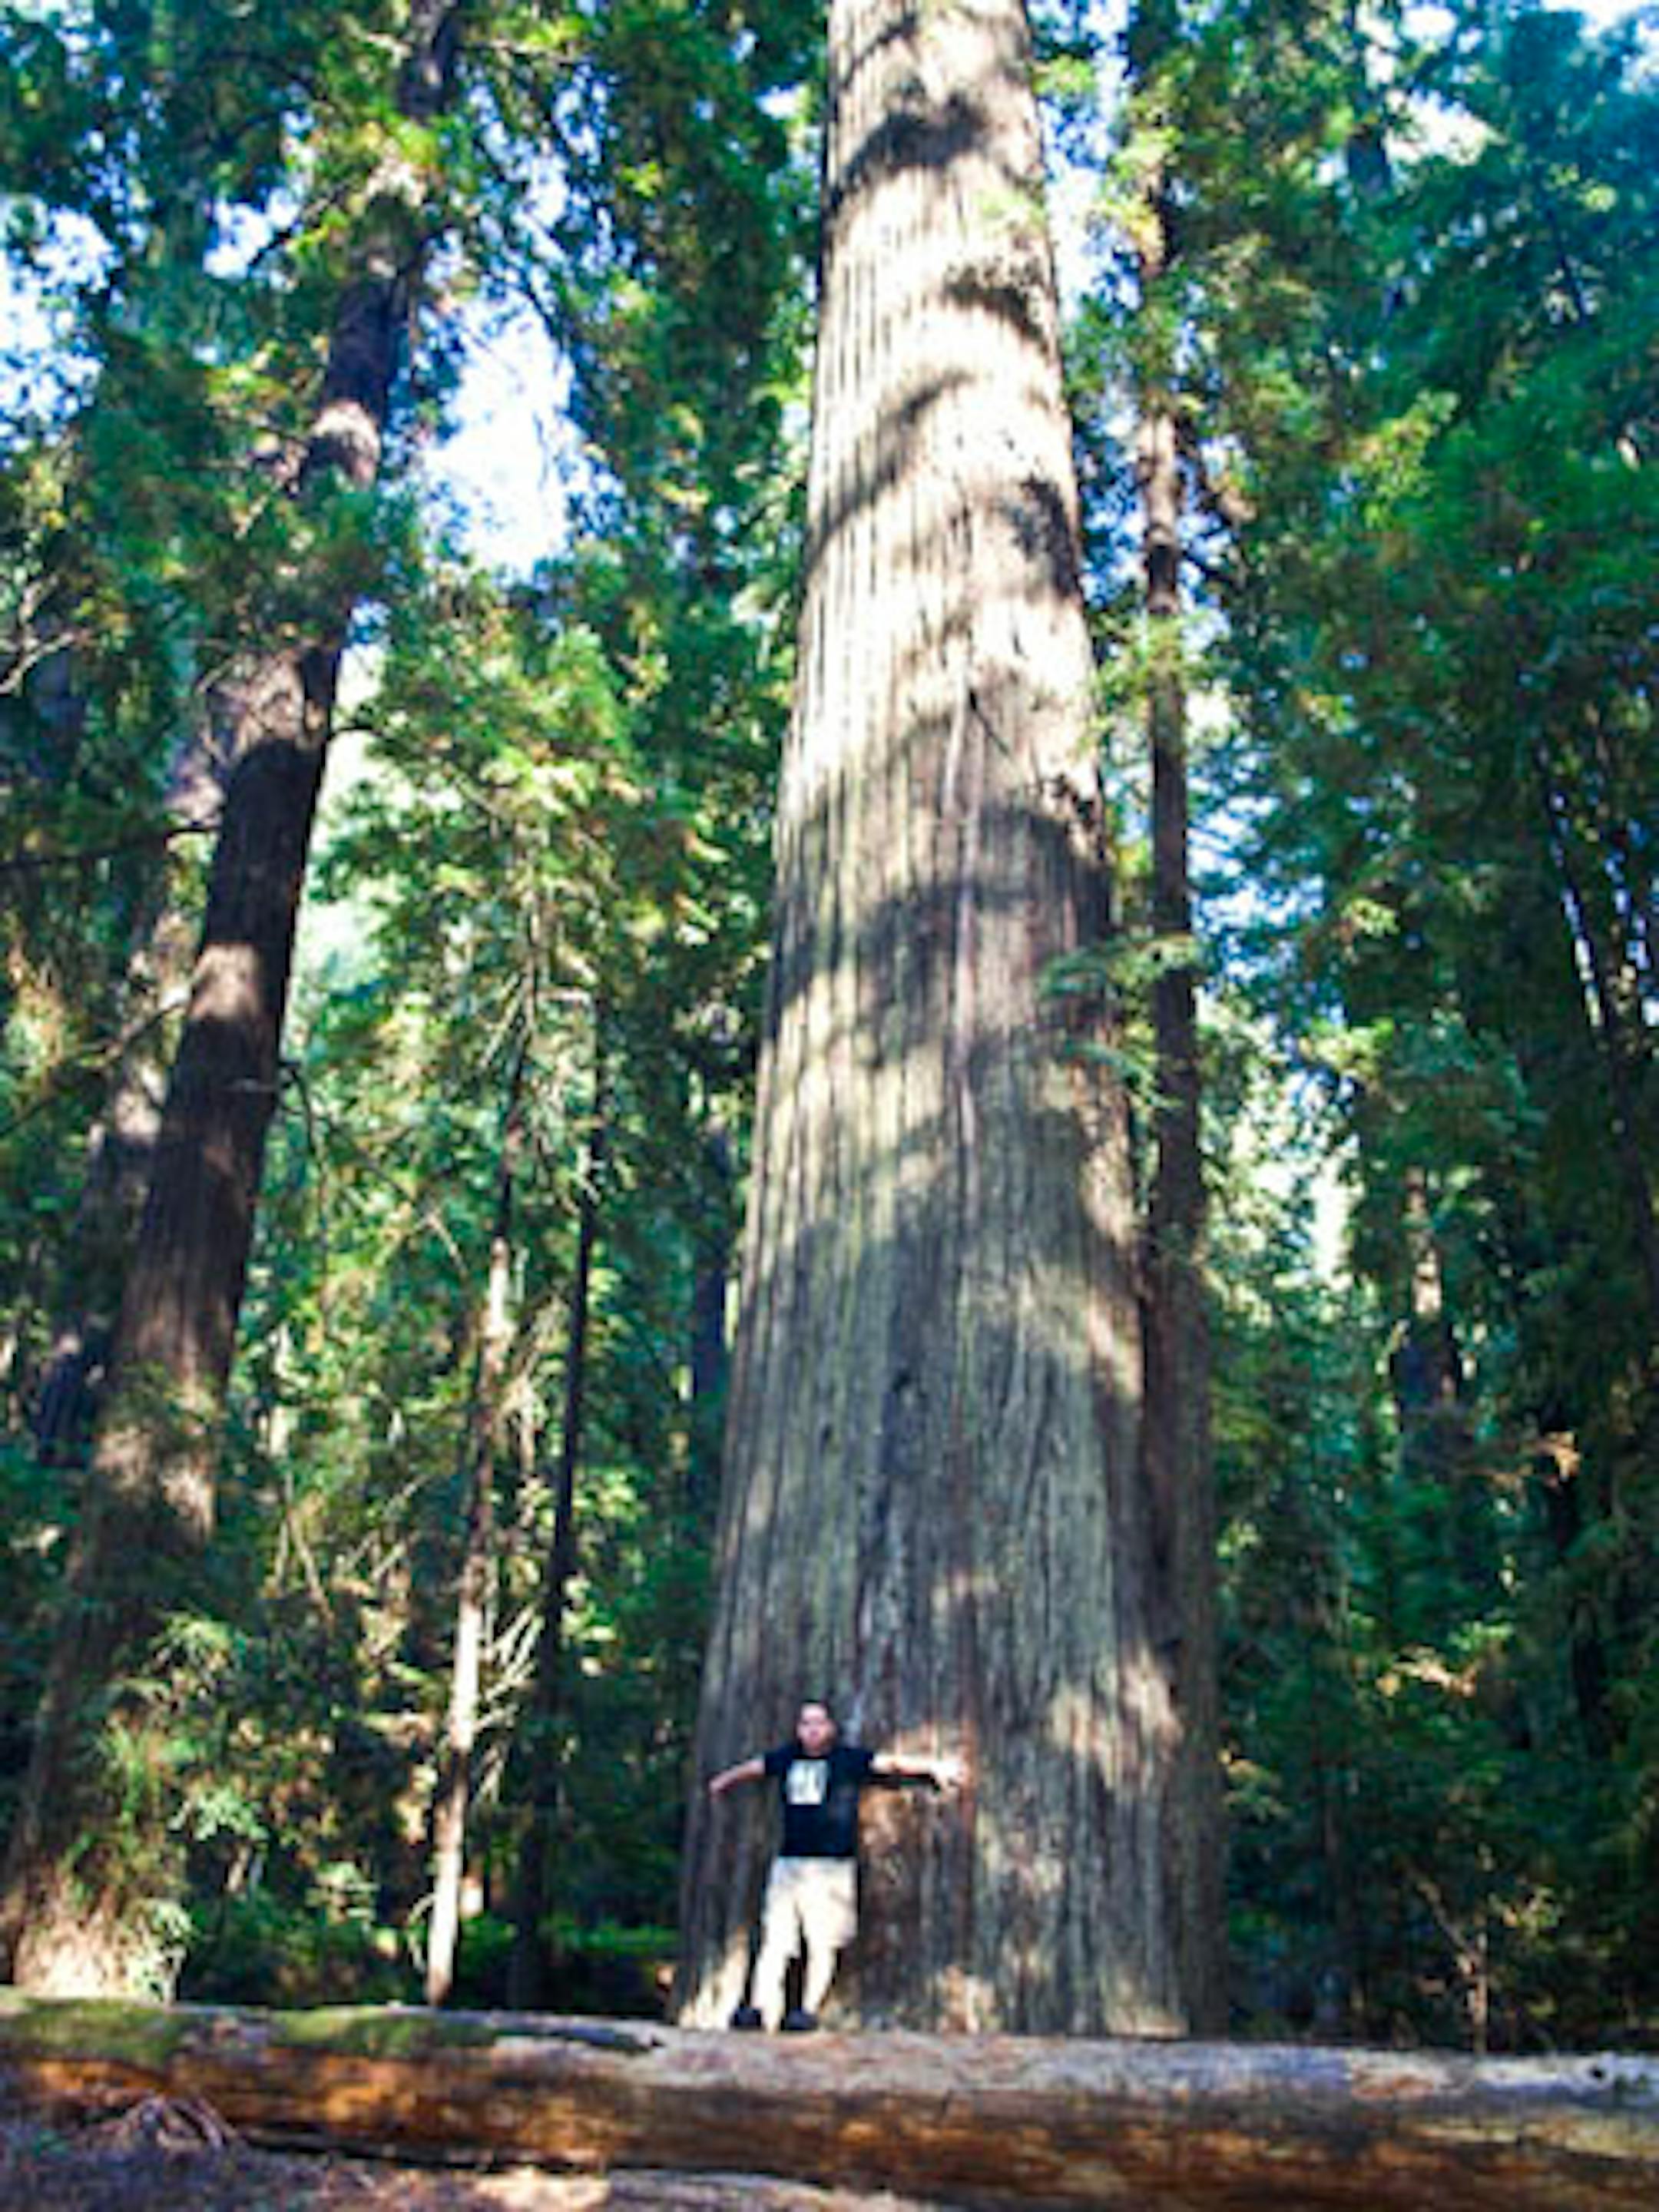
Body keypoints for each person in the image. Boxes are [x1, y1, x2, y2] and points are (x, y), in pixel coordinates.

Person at [706, 1697, 964, 2032]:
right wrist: (723, 1781)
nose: (811, 1731)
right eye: (805, 1724)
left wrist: (933, 1768)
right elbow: (756, 1767)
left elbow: (890, 1764)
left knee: (821, 1942)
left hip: (830, 1868)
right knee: (776, 1940)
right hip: (789, 1865)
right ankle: (756, 2008)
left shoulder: (846, 1760)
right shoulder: (787, 1757)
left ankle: (806, 2011)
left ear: (830, 1728)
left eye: (818, 1723)